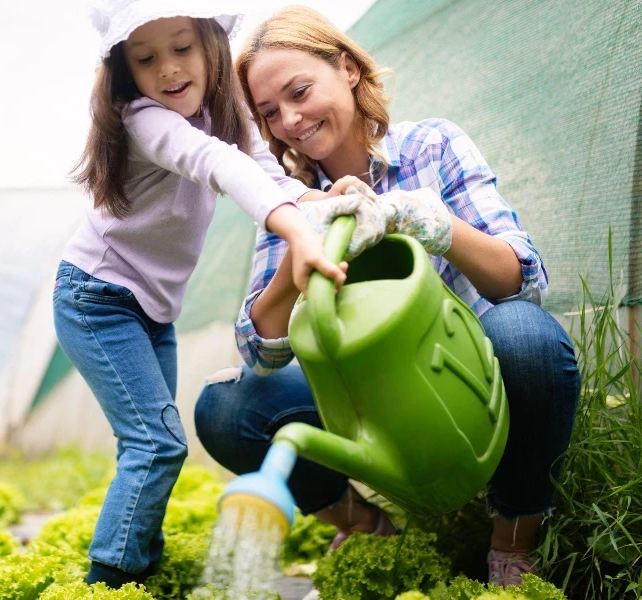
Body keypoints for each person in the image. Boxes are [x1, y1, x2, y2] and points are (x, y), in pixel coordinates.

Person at [194, 5, 580, 588]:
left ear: (346, 68)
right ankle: (368, 527)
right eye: (270, 113)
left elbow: (523, 281)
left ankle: (511, 544)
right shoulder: (289, 200)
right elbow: (263, 356)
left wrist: (430, 222)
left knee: (528, 337)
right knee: (226, 408)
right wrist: (301, 242)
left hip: (456, 381)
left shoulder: (433, 146)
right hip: (361, 402)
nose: (290, 120)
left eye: (299, 91)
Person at [53, 0, 349, 588]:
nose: (167, 70)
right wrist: (293, 228)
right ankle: (109, 581)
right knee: (156, 444)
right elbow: (215, 162)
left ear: (211, 44)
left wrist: (323, 204)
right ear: (125, 70)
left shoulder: (223, 106)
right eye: (146, 58)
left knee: (149, 445)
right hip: (96, 301)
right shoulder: (145, 120)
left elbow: (263, 168)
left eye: (181, 48)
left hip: (149, 310)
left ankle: (142, 564)